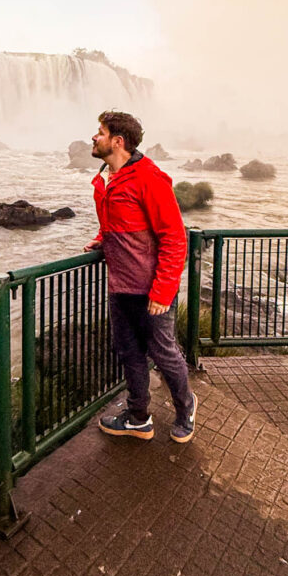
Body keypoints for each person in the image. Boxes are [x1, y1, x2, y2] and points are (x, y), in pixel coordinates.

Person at [84, 110, 196, 443]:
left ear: (118, 141)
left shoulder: (149, 179)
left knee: (164, 354)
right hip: (121, 288)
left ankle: (186, 408)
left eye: (100, 132)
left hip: (151, 291)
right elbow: (120, 221)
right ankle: (138, 418)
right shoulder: (108, 177)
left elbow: (174, 238)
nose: (94, 137)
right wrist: (103, 239)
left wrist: (162, 292)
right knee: (129, 353)